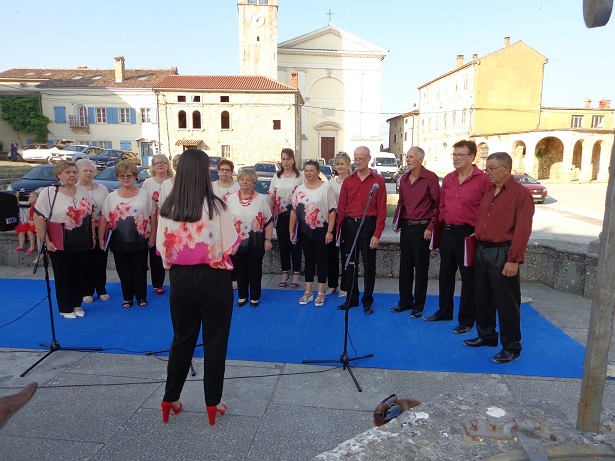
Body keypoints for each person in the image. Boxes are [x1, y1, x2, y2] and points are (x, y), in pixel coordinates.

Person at [157, 149, 240, 426]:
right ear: (205, 172)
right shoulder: (217, 206)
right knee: (215, 342)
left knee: (182, 339)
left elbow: (162, 251)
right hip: (213, 279)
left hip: (180, 280)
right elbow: (231, 246)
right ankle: (212, 404)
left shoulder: (168, 207)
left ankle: (170, 399)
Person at [463, 152, 534, 364]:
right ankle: (487, 335)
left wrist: (514, 259)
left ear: (506, 168)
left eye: (492, 168)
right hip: (483, 250)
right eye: (487, 168)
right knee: (482, 297)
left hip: (503, 253)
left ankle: (512, 347)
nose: (488, 173)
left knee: (506, 303)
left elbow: (522, 230)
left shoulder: (521, 195)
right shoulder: (489, 191)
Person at [423, 140, 491, 334]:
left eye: (460, 155)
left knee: (469, 278)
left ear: (472, 157)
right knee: (445, 274)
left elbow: (487, 209)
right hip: (448, 231)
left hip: (468, 233)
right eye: (454, 155)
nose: (456, 158)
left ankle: (467, 319)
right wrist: (440, 223)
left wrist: (478, 231)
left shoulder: (482, 179)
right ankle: (444, 311)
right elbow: (442, 204)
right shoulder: (450, 178)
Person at [34, 161, 93, 319]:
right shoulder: (49, 192)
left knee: (80, 274)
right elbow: (39, 218)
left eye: (74, 172)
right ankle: (65, 307)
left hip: (81, 240)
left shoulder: (82, 191)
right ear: (58, 174)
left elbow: (88, 215)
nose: (72, 175)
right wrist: (46, 241)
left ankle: (76, 304)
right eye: (68, 172)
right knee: (63, 275)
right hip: (59, 241)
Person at [336, 146, 386, 314]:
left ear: (368, 158)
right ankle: (351, 298)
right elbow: (342, 207)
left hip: (368, 225)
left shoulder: (378, 181)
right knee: (350, 263)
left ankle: (367, 300)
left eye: (361, 159)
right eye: (355, 158)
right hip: (350, 225)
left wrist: (377, 234)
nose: (357, 162)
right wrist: (339, 231)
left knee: (369, 265)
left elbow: (382, 210)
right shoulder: (348, 181)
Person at [99, 161, 157, 308]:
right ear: (117, 178)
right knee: (124, 271)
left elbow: (153, 216)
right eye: (121, 176)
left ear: (135, 177)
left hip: (140, 240)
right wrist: (100, 238)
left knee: (140, 270)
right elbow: (104, 219)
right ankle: (127, 297)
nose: (125, 178)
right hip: (119, 241)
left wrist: (153, 236)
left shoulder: (145, 195)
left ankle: (141, 297)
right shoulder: (111, 197)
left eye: (129, 175)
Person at [391, 147, 440, 319]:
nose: (408, 159)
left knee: (421, 268)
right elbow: (401, 202)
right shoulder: (404, 178)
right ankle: (405, 301)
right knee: (405, 267)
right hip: (407, 227)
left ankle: (418, 305)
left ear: (420, 159)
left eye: (411, 157)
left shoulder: (431, 178)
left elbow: (437, 205)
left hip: (422, 228)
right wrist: (397, 220)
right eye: (407, 156)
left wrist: (430, 227)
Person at [289, 160, 337, 307]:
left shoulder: (326, 188)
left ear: (318, 172)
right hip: (305, 231)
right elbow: (294, 211)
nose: (309, 173)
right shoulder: (299, 189)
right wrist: (291, 230)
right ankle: (308, 291)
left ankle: (321, 291)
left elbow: (332, 210)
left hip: (322, 230)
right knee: (309, 260)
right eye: (306, 170)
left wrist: (330, 231)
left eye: (311, 170)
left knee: (322, 260)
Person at [227, 168, 274, 307]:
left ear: (254, 182)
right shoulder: (231, 199)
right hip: (237, 242)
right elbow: (226, 221)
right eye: (242, 179)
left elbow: (268, 220)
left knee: (255, 270)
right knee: (240, 270)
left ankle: (254, 296)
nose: (244, 182)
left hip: (256, 241)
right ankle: (242, 296)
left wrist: (268, 239)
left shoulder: (260, 199)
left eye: (248, 179)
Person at [76, 159, 111, 303]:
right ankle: (86, 291)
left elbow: (107, 210)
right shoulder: (74, 189)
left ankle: (101, 289)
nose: (88, 173)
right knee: (84, 261)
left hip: (100, 228)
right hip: (80, 230)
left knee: (100, 260)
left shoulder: (102, 189)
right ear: (78, 172)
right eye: (85, 170)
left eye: (91, 171)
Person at [269, 148, 303, 289]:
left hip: (297, 216)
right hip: (282, 216)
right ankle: (285, 273)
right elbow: (272, 197)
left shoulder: (300, 176)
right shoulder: (276, 176)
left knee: (296, 245)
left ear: (293, 160)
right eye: (283, 159)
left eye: (288, 159)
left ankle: (296, 273)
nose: (286, 162)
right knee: (283, 246)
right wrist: (270, 216)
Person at [141, 154, 173, 295]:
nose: (160, 165)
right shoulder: (148, 183)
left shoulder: (173, 181)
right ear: (153, 166)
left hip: (171, 221)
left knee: (173, 252)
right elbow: (142, 202)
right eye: (157, 163)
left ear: (168, 165)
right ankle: (157, 283)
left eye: (163, 162)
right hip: (153, 222)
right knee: (155, 254)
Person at [327, 153, 352, 298]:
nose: (340, 167)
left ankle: (345, 286)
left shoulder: (352, 181)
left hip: (347, 222)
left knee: (345, 255)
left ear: (348, 165)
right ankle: (332, 284)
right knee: (331, 255)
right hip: (333, 221)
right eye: (337, 164)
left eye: (342, 164)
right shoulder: (330, 183)